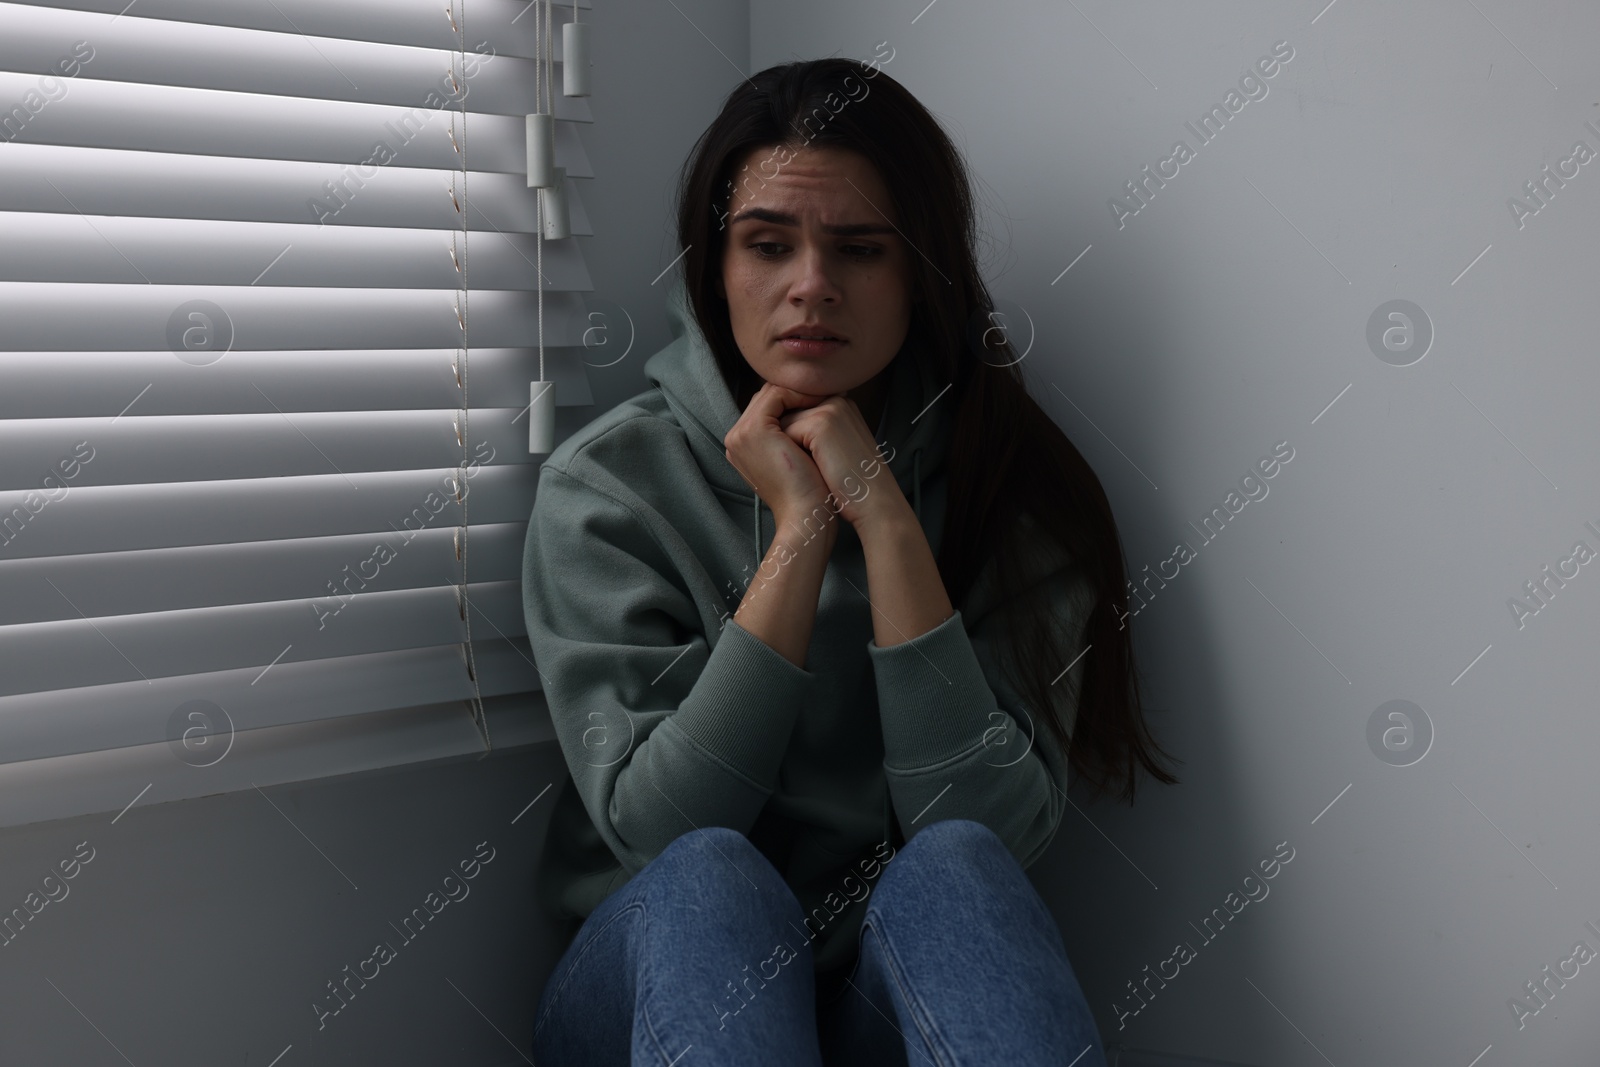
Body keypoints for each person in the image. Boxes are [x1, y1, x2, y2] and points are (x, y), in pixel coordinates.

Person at [521, 56, 1180, 1066]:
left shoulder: (1008, 486)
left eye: (860, 249)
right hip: (656, 988)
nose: (811, 287)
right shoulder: (609, 488)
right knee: (711, 874)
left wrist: (885, 520)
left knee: (959, 861)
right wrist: (799, 535)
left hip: (888, 997)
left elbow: (994, 830)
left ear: (919, 272)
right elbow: (658, 828)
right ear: (714, 265)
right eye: (767, 244)